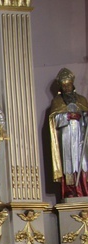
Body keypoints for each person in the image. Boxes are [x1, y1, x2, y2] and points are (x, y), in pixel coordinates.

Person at [48, 67, 88, 198]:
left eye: (68, 85)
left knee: (82, 162)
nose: (67, 89)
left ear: (72, 84)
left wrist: (84, 117)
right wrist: (67, 117)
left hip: (81, 136)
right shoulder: (57, 101)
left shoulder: (82, 100)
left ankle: (83, 188)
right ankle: (70, 191)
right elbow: (54, 120)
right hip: (66, 137)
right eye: (64, 86)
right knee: (69, 163)